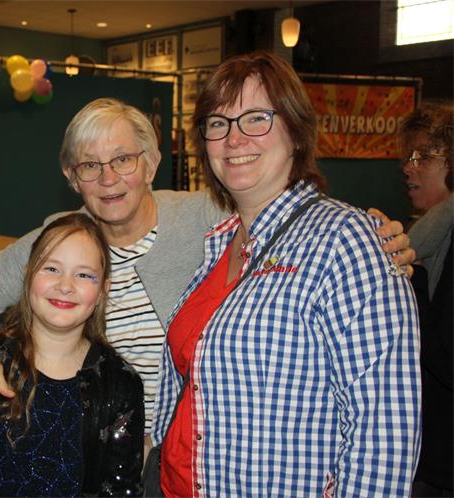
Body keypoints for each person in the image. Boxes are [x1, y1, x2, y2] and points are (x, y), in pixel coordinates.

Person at [0, 98, 415, 449]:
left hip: (195, 452)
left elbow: (296, 223)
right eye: (90, 166)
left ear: (151, 163)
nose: (108, 178)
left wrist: (377, 235)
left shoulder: (209, 216)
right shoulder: (62, 240)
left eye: (123, 159)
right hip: (90, 453)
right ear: (72, 178)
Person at [153, 51, 421, 497]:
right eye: (218, 123)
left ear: (296, 132)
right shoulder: (218, 243)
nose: (234, 138)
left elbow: (383, 430)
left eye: (256, 118)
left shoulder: (345, 241)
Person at [0, 213, 144, 497]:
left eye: (84, 275)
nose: (65, 285)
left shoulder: (121, 385)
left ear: (103, 290)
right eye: (51, 269)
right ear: (27, 275)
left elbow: (121, 489)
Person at [400, 102, 453, 497]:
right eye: (408, 156)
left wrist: (411, 281)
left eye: (423, 156)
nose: (408, 167)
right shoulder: (429, 238)